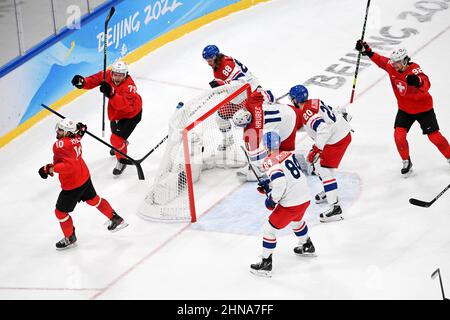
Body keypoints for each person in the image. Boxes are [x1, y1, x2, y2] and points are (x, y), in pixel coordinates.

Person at [355, 40, 450, 176]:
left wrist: (418, 81)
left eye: (397, 62)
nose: (394, 65)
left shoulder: (415, 69)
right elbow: (381, 61)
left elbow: (426, 83)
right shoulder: (392, 66)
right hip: (405, 110)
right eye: (393, 62)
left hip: (424, 109)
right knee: (398, 136)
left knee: (435, 137)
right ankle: (406, 161)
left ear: (405, 61)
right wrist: (367, 51)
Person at [38, 118, 128, 250]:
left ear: (68, 133)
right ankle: (116, 218)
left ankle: (70, 238)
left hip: (72, 184)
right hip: (84, 176)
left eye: (61, 130)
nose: (58, 131)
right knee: (94, 200)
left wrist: (49, 169)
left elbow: (68, 166)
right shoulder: (74, 138)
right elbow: (74, 142)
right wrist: (80, 132)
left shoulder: (60, 145)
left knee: (60, 213)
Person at [250, 132, 316, 278]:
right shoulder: (288, 153)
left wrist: (271, 200)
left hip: (291, 203)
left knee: (269, 229)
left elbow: (280, 183)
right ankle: (307, 245)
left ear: (265, 146)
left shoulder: (269, 160)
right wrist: (269, 185)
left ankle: (266, 264)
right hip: (304, 197)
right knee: (296, 221)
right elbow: (288, 177)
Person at [288, 85, 352, 222]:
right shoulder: (315, 101)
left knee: (323, 169)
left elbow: (324, 130)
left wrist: (316, 149)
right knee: (320, 166)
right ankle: (329, 192)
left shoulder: (307, 113)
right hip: (341, 134)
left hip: (336, 139)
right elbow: (329, 115)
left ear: (295, 100)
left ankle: (335, 208)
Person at [71, 60, 143, 175]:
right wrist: (83, 82)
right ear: (112, 73)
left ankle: (122, 159)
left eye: (121, 75)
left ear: (126, 75)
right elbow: (95, 79)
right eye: (115, 75)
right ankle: (119, 146)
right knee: (115, 135)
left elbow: (125, 106)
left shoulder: (129, 87)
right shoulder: (108, 75)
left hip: (131, 115)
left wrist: (111, 94)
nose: (117, 78)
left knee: (115, 139)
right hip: (115, 113)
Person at [232, 88, 297, 182]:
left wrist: (255, 164)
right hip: (288, 110)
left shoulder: (252, 132)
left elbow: (255, 155)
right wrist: (271, 101)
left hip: (286, 128)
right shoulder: (251, 103)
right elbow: (263, 91)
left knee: (270, 145)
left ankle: (266, 168)